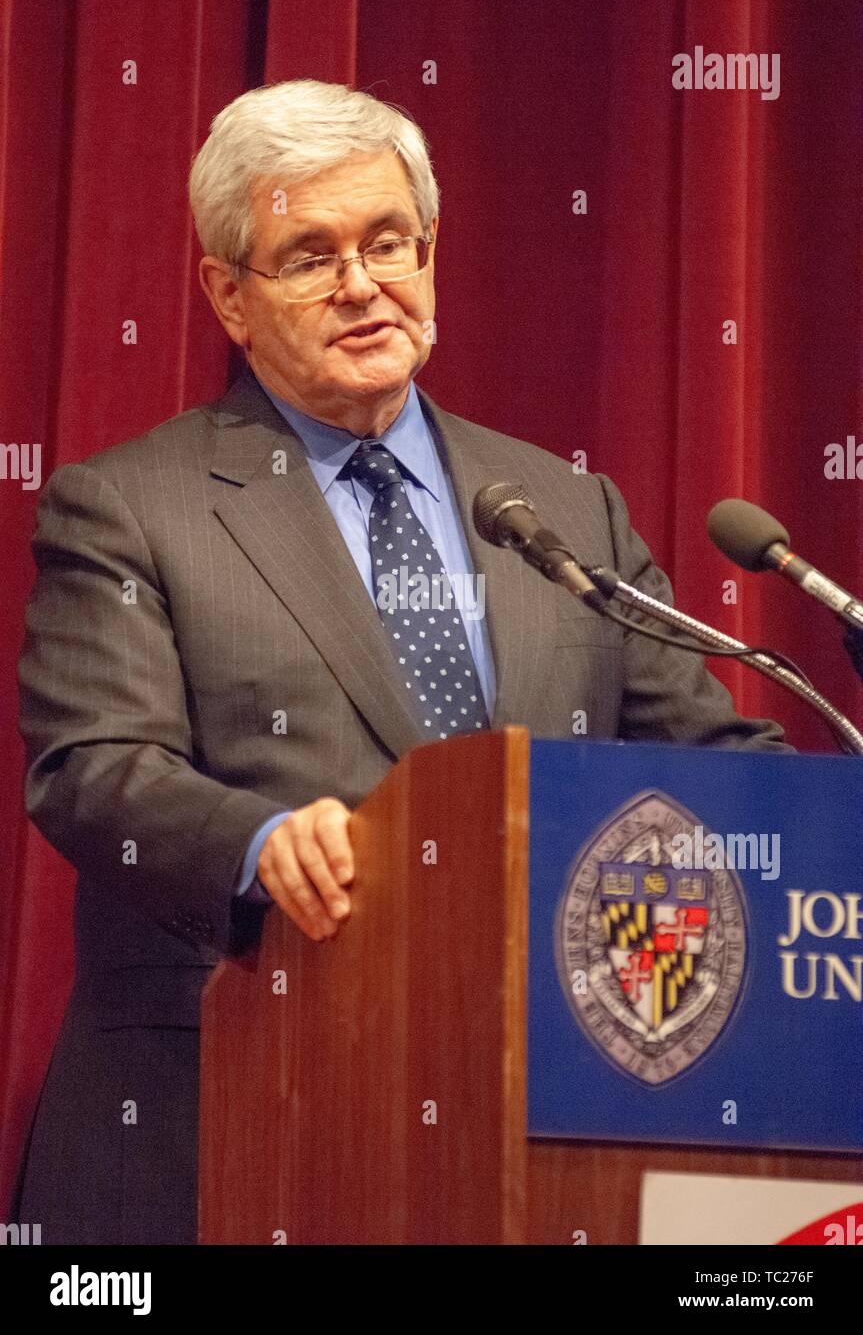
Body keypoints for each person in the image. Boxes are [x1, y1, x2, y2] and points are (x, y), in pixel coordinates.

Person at [13, 79, 790, 1245]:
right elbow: (93, 770)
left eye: (389, 241)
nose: (362, 283)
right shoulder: (129, 506)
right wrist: (261, 843)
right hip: (229, 1109)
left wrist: (807, 811)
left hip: (530, 1126)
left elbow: (705, 757)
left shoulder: (560, 507)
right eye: (309, 255)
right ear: (228, 293)